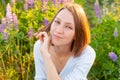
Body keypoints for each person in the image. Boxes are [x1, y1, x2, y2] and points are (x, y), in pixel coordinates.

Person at [33, 3, 96, 80]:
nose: (59, 30)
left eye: (68, 27)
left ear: (77, 34)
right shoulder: (40, 46)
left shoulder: (87, 53)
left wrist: (46, 56)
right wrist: (44, 52)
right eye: (57, 22)